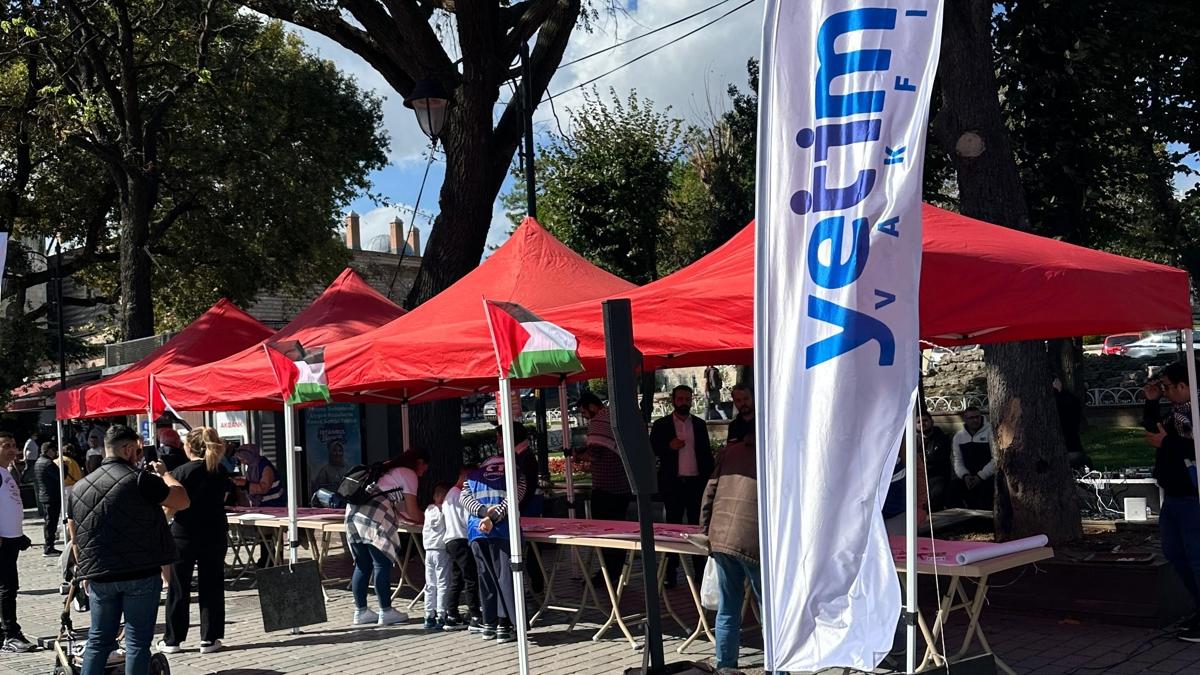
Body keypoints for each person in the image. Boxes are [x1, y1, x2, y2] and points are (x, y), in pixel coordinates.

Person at [68, 424, 189, 674]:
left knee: (98, 641)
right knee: (136, 643)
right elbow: (182, 500)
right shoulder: (140, 479)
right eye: (138, 450)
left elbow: (74, 536)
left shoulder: (79, 487)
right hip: (139, 573)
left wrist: (84, 572)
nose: (140, 455)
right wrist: (165, 474)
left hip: (100, 573)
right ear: (127, 449)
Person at [160, 427, 233, 655]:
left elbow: (171, 506)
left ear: (189, 447)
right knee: (212, 584)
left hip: (184, 533)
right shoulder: (220, 470)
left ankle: (173, 640)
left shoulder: (180, 473)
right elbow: (225, 496)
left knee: (178, 587)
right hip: (214, 531)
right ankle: (209, 638)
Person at [1144, 362, 1200, 643]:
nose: (1164, 391)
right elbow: (1154, 432)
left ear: (1183, 386)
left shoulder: (1195, 413)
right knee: (1175, 553)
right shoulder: (1176, 414)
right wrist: (1151, 403)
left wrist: (1167, 444)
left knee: (1196, 557)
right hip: (1174, 493)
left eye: (1167, 386)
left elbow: (1193, 447)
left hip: (1192, 495)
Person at [344, 448, 428, 627]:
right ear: (420, 462)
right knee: (381, 563)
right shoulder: (408, 473)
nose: (424, 473)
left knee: (362, 564)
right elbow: (413, 512)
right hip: (374, 516)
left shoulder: (385, 469)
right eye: (425, 468)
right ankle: (386, 611)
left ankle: (361, 611)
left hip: (352, 515)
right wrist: (428, 516)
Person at [699, 432, 759, 672]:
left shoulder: (730, 451)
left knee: (728, 607)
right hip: (754, 539)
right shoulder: (775, 452)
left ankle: (725, 666)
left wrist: (705, 531)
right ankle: (778, 667)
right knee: (769, 610)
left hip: (722, 537)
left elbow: (709, 491)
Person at [650, 385, 714, 587]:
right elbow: (652, 448)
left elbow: (705, 454)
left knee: (697, 527)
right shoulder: (662, 425)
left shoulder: (699, 424)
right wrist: (669, 446)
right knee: (673, 528)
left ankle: (699, 572)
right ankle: (671, 572)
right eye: (680, 399)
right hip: (673, 483)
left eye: (687, 399)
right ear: (673, 400)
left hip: (696, 483)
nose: (684, 402)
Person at [462, 452, 525, 643]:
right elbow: (513, 499)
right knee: (505, 578)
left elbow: (465, 499)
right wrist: (492, 518)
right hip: (503, 531)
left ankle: (489, 623)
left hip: (476, 531)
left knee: (486, 578)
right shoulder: (516, 474)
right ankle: (504, 625)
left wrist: (482, 514)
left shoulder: (472, 476)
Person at [569, 392, 631, 586]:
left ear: (592, 407)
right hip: (623, 486)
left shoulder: (598, 422)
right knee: (619, 532)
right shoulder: (615, 417)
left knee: (606, 534)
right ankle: (617, 571)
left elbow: (594, 454)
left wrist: (577, 456)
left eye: (584, 412)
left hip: (606, 488)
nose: (585, 417)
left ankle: (607, 574)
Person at [0, 431, 35, 653]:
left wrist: (19, 535)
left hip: (11, 539)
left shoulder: (6, 472)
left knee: (7, 587)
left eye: (14, 445)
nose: (12, 449)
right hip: (3, 542)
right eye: (6, 445)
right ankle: (10, 634)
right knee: (7, 588)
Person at [502, 423, 544, 594]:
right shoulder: (520, 455)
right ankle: (534, 585)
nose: (498, 441)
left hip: (528, 507)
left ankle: (536, 585)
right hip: (524, 505)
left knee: (531, 548)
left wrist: (517, 506)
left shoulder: (525, 457)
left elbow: (528, 486)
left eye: (500, 437)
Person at [442, 465, 481, 632]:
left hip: (450, 540)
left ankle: (452, 614)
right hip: (462, 539)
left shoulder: (449, 494)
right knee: (471, 578)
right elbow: (468, 519)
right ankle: (475, 616)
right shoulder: (461, 496)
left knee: (456, 579)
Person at [950, 407, 996, 510]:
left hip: (987, 476)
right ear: (965, 419)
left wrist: (980, 477)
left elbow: (996, 459)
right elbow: (958, 460)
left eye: (977, 417)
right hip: (968, 478)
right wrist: (965, 475)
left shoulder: (990, 432)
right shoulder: (958, 437)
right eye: (971, 418)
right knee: (952, 489)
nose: (975, 420)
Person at [422, 483, 451, 631]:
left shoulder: (428, 510)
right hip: (441, 549)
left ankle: (428, 615)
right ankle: (441, 614)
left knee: (430, 583)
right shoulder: (445, 511)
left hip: (428, 549)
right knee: (443, 582)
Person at [918, 412, 953, 511]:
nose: (922, 424)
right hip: (920, 479)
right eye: (918, 422)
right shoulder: (913, 440)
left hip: (938, 478)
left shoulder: (943, 438)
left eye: (925, 420)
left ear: (932, 421)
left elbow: (937, 459)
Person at [1053, 376, 1090, 469]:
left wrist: (1059, 392)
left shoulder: (1065, 401)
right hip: (1072, 446)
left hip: (1069, 446)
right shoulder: (1071, 399)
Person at [33, 442, 63, 557]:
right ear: (48, 450)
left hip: (44, 495)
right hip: (52, 496)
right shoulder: (48, 463)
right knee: (51, 522)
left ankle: (49, 546)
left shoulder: (38, 462)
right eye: (53, 450)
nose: (55, 452)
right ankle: (49, 547)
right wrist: (62, 467)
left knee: (48, 522)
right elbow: (60, 477)